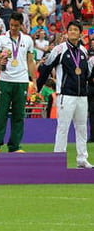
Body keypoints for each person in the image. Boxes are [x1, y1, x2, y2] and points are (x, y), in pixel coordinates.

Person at [39, 20, 92, 168]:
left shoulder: (84, 51)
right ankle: (58, 158)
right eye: (71, 30)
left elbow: (86, 74)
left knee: (82, 127)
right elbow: (47, 67)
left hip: (82, 96)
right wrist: (38, 88)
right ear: (67, 32)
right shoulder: (59, 49)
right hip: (65, 95)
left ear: (81, 33)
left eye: (76, 30)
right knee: (63, 127)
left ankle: (82, 158)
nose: (73, 32)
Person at [0, 11, 36, 153]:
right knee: (1, 113)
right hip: (5, 80)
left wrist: (34, 81)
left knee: (19, 115)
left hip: (22, 81)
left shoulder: (27, 40)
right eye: (11, 25)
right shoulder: (1, 40)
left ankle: (15, 145)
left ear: (21, 25)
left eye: (16, 25)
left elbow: (30, 61)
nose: (13, 28)